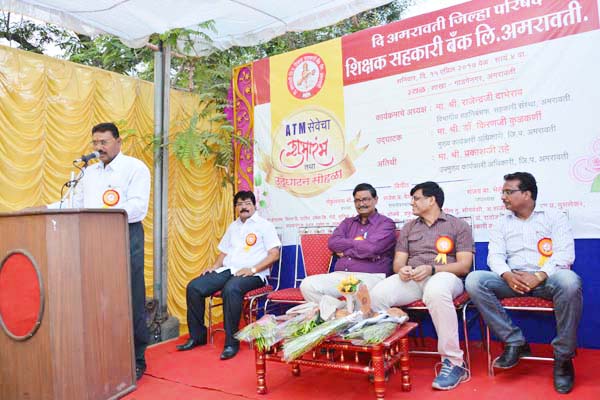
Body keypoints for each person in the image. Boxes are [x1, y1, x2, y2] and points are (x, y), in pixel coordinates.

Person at [46, 122, 151, 380]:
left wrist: (101, 215)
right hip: (92, 239)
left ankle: (136, 358)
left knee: (130, 297)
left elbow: (138, 207)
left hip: (125, 236)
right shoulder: (89, 173)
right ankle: (104, 353)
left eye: (104, 142)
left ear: (118, 142)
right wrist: (44, 209)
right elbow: (74, 202)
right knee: (98, 297)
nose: (98, 147)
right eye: (95, 143)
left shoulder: (135, 168)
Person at [466, 172, 582, 394]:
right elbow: (494, 256)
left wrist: (539, 276)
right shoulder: (501, 222)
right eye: (503, 192)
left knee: (570, 281)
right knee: (474, 280)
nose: (503, 197)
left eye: (508, 192)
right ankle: (514, 341)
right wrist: (507, 275)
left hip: (548, 279)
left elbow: (565, 255)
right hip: (513, 280)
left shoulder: (554, 217)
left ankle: (563, 357)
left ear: (527, 194)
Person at [370, 181, 473, 391]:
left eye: (416, 198)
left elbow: (464, 266)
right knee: (377, 295)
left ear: (431, 200)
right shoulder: (409, 228)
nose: (412, 203)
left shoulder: (458, 226)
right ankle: (387, 354)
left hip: (445, 276)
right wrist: (402, 270)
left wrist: (432, 269)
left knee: (436, 292)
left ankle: (454, 363)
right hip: (413, 278)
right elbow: (398, 263)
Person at [176, 190, 280, 360]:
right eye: (239, 204)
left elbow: (274, 254)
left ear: (254, 206)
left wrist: (253, 269)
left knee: (231, 289)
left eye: (247, 203)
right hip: (229, 270)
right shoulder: (233, 227)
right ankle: (197, 336)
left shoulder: (265, 226)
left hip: (254, 274)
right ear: (235, 208)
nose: (243, 207)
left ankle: (231, 343)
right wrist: (214, 267)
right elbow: (224, 252)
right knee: (194, 287)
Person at [299, 183, 396, 308]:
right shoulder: (347, 223)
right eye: (357, 200)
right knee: (308, 285)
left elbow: (372, 248)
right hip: (341, 275)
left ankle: (340, 312)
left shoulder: (386, 223)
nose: (361, 204)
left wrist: (345, 251)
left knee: (355, 290)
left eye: (365, 199)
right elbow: (333, 243)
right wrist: (360, 244)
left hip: (370, 276)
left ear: (375, 200)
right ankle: (339, 311)